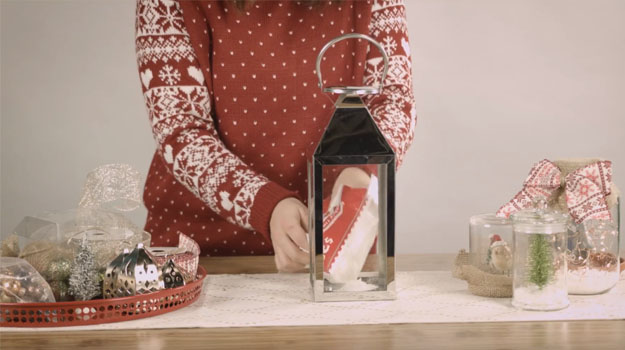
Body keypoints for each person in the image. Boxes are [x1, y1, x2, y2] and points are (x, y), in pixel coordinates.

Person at [135, 0, 416, 272]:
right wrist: (266, 205)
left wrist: (366, 167)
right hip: (200, 254)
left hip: (336, 249)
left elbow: (393, 101)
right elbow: (181, 129)